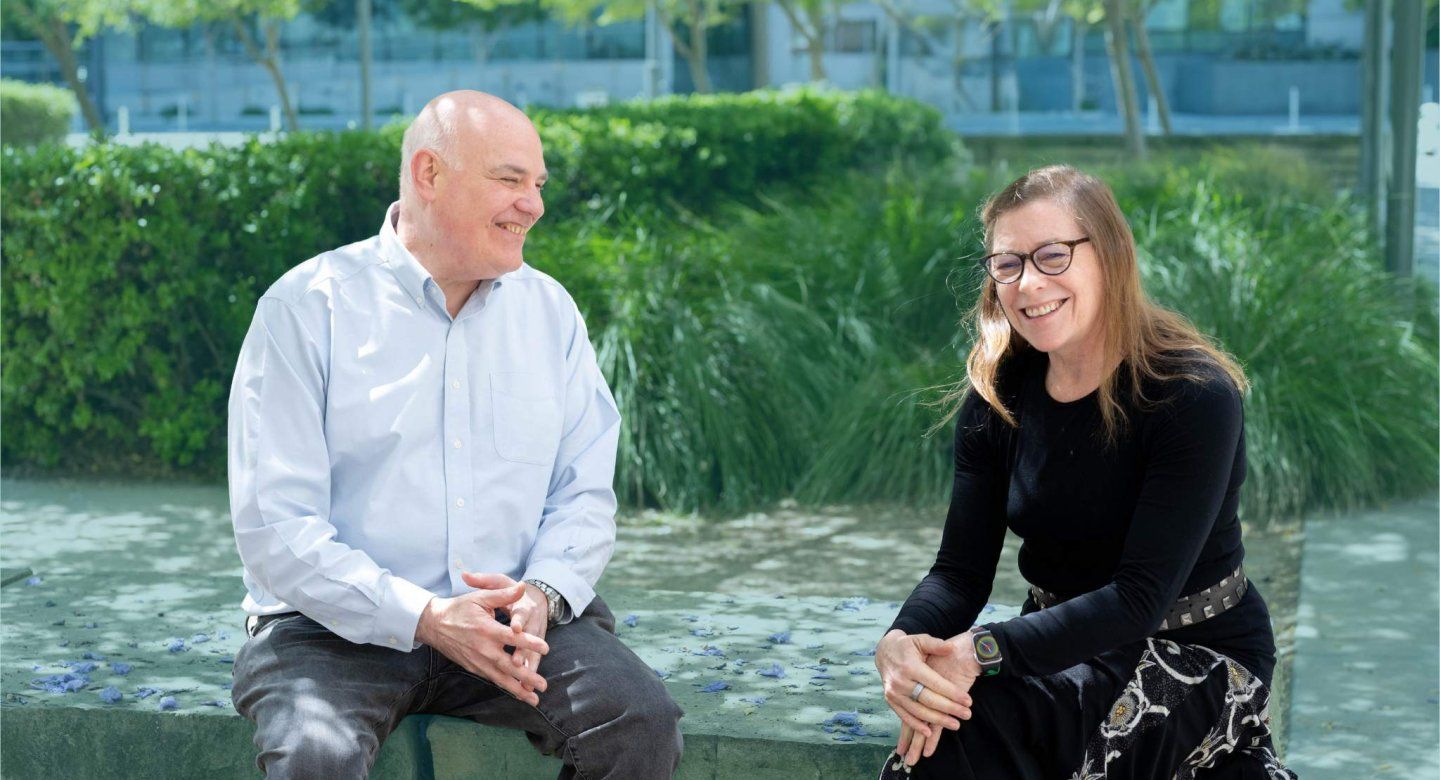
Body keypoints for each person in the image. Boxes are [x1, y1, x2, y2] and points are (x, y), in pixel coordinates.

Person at [226, 91, 683, 779]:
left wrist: (543, 594)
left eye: (538, 184)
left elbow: (584, 492)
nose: (533, 204)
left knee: (638, 722)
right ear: (429, 174)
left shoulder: (549, 311)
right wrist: (427, 616)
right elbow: (275, 525)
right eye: (509, 179)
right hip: (331, 629)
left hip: (515, 621)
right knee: (312, 758)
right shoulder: (306, 306)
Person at [874, 165, 1295, 779]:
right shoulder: (998, 396)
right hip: (1056, 648)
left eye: (1051, 255)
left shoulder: (1192, 396)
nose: (1027, 283)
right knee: (948, 727)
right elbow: (959, 573)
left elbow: (1138, 599)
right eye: (1007, 264)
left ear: (1110, 255)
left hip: (1198, 650)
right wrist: (900, 642)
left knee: (977, 723)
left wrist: (982, 650)